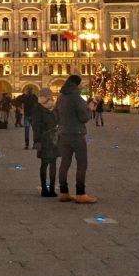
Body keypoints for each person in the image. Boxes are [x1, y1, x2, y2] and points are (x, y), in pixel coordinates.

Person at [55, 74, 95, 203]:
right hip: (77, 135)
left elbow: (56, 115)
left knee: (64, 163)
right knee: (82, 164)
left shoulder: (60, 98)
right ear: (77, 84)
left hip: (63, 134)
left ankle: (63, 192)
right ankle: (80, 193)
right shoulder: (77, 98)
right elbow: (84, 118)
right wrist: (90, 109)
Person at [33, 87, 59, 197]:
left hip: (54, 139)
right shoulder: (39, 109)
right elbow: (36, 126)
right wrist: (37, 140)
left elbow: (58, 120)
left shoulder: (54, 108)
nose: (51, 97)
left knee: (52, 164)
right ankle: (44, 188)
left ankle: (52, 188)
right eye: (49, 96)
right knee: (45, 164)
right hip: (44, 139)